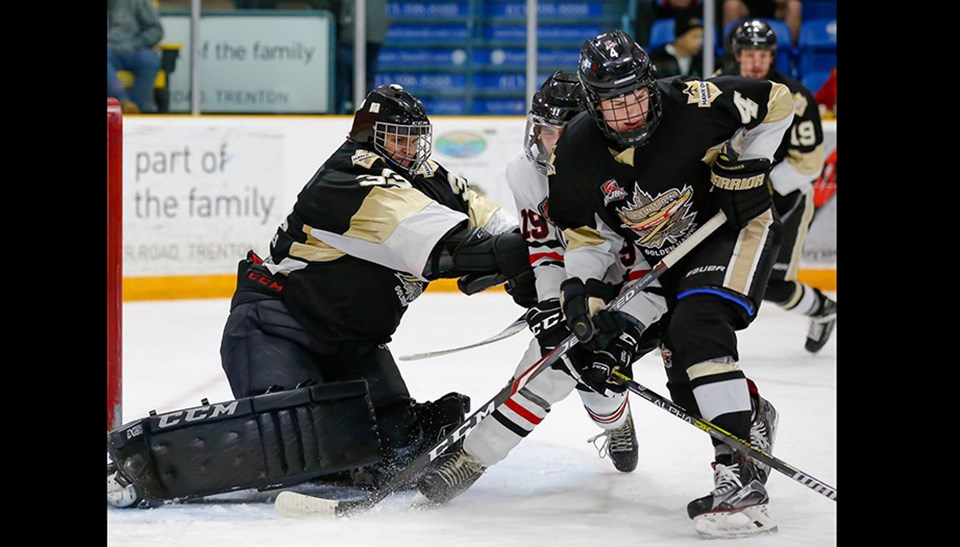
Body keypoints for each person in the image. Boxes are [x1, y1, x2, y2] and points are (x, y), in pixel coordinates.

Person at [107, 84, 536, 508]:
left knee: (398, 450)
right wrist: (515, 259)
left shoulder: (432, 178)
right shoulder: (348, 179)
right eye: (396, 138)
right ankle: (134, 467)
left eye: (413, 138)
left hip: (353, 345)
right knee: (297, 446)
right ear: (369, 135)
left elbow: (494, 226)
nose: (408, 149)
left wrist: (541, 255)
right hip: (277, 330)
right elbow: (455, 250)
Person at [532, 30, 784, 538]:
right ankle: (751, 414)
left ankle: (739, 476)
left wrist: (751, 166)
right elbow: (582, 232)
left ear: (650, 84)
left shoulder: (693, 102)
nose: (629, 112)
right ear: (591, 103)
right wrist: (583, 288)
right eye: (613, 102)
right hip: (670, 259)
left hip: (736, 228)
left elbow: (775, 101)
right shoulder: (576, 151)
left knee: (698, 324)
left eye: (635, 95)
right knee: (684, 380)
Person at [412, 72, 657, 506]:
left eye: (565, 133)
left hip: (631, 285)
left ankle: (614, 421)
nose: (553, 143)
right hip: (573, 281)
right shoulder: (524, 174)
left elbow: (640, 257)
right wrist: (550, 303)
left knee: (591, 377)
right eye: (546, 131)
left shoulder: (620, 168)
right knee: (554, 367)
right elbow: (544, 248)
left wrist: (618, 313)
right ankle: (471, 458)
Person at [718, 20, 836, 353]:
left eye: (763, 54)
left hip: (784, 202)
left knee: (772, 283)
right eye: (749, 53)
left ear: (772, 57)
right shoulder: (716, 86)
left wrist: (758, 186)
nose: (756, 61)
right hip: (727, 195)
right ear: (737, 55)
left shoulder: (796, 98)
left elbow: (809, 163)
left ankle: (823, 310)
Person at [310, 0, 389, 114]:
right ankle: (340, 114)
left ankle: (360, 115)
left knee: (359, 85)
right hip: (354, 35)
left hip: (365, 36)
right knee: (342, 85)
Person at [107, 0, 165, 114]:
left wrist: (135, 43)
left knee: (149, 61)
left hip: (135, 48)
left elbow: (156, 30)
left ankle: (135, 108)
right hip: (109, 53)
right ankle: (122, 102)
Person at [723, 0, 802, 45]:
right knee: (731, 5)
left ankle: (791, 51)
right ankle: (730, 47)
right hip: (748, 6)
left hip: (776, 9)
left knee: (794, 5)